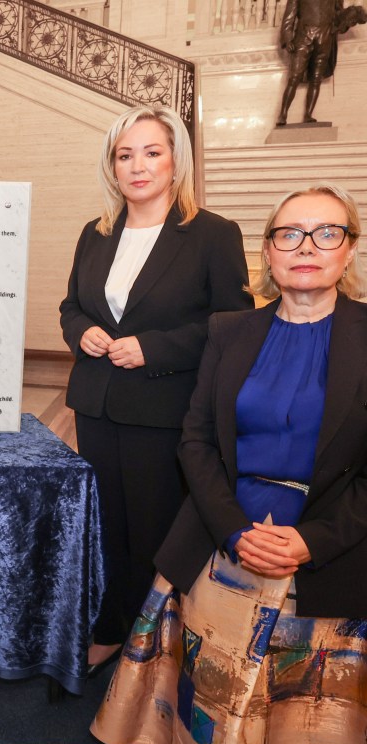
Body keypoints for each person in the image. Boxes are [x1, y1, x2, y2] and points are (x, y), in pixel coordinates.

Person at [92, 184, 367, 744]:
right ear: (267, 253)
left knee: (289, 716)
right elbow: (194, 440)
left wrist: (308, 542)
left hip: (325, 559)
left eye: (325, 234)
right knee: (211, 698)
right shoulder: (229, 331)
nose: (306, 248)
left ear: (349, 249)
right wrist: (235, 530)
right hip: (223, 546)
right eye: (290, 234)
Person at [59, 105, 251, 675]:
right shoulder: (95, 234)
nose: (138, 166)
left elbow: (233, 322)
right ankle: (113, 628)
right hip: (96, 405)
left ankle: (159, 647)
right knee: (108, 528)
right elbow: (71, 306)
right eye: (125, 155)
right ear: (111, 166)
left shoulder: (213, 234)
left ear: (176, 161)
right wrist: (81, 332)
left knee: (156, 533)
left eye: (152, 152)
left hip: (164, 409)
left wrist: (155, 348)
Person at [276, 0, 367, 126]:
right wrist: (287, 38)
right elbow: (289, 16)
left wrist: (351, 15)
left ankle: (308, 114)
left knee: (316, 79)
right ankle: (283, 115)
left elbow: (337, 16)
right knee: (294, 77)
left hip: (325, 37)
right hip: (303, 36)